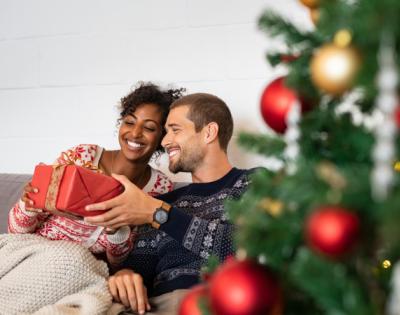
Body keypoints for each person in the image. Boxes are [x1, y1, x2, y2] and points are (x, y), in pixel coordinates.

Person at [85, 93, 256, 314]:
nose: (165, 141)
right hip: (157, 306)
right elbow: (139, 271)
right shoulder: (162, 201)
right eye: (165, 132)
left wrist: (159, 214)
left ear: (209, 132)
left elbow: (250, 250)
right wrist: (124, 276)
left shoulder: (251, 183)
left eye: (175, 130)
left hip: (216, 300)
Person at [8, 82, 185, 267]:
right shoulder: (80, 157)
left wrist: (118, 232)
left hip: (84, 272)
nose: (135, 133)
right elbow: (17, 234)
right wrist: (28, 205)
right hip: (34, 256)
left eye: (149, 128)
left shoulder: (161, 188)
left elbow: (121, 265)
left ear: (162, 136)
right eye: (129, 122)